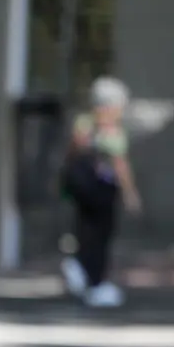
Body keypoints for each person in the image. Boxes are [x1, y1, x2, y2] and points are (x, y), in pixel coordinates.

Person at [60, 76, 143, 308]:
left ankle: (82, 271)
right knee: (100, 239)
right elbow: (120, 165)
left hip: (82, 193)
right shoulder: (112, 132)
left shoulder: (83, 124)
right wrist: (130, 193)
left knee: (85, 235)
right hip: (102, 195)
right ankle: (93, 281)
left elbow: (73, 154)